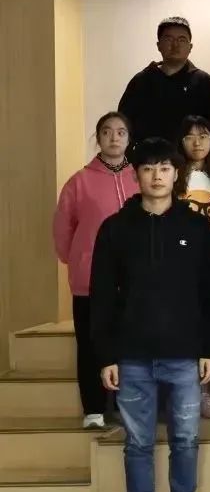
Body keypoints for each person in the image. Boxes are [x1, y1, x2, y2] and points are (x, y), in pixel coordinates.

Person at [90, 138, 210, 492]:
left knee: (186, 441)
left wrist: (208, 348)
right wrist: (106, 356)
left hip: (184, 355)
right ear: (136, 175)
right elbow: (101, 297)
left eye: (164, 168)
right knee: (137, 444)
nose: (157, 176)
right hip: (132, 357)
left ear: (176, 173)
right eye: (148, 169)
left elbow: (209, 294)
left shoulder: (196, 228)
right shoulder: (115, 228)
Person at [53, 112, 140, 430]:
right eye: (107, 131)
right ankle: (93, 408)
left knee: (129, 344)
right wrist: (78, 259)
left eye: (121, 132)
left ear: (129, 138)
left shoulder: (140, 177)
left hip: (134, 281)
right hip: (89, 280)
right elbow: (62, 229)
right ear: (98, 137)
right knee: (91, 344)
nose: (114, 137)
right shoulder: (79, 182)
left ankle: (126, 405)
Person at [174, 115, 210, 419]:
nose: (197, 143)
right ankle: (187, 393)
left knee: (209, 325)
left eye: (203, 136)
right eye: (190, 136)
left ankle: (205, 391)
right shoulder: (175, 176)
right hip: (182, 262)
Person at [118, 17, 210, 146]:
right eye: (169, 39)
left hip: (192, 157)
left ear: (190, 47)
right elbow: (122, 126)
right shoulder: (141, 81)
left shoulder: (204, 83)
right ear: (158, 45)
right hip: (149, 157)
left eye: (182, 40)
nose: (175, 45)